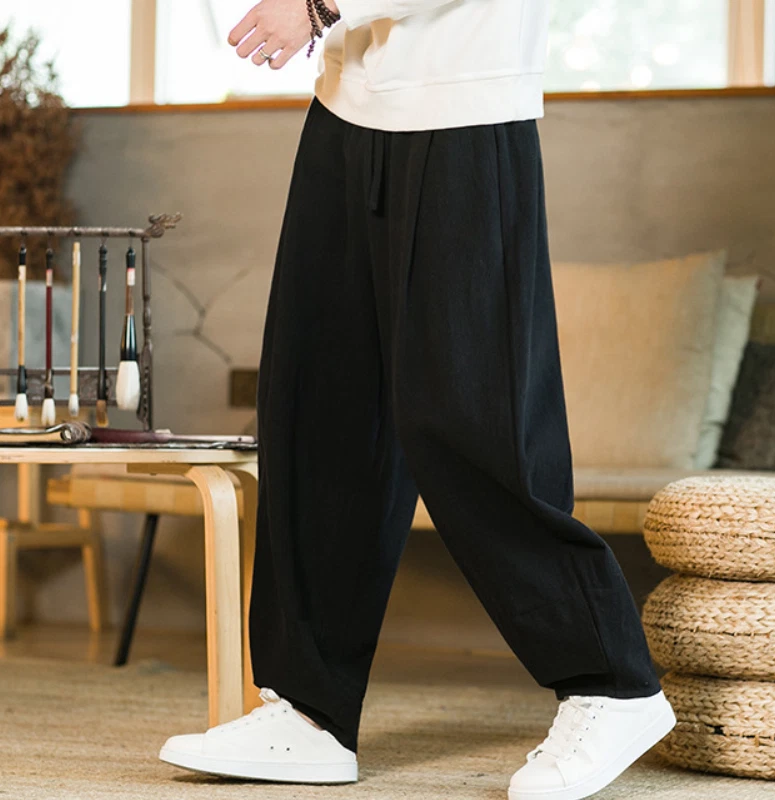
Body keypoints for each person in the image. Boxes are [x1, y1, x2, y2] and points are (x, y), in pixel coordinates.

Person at [158, 0, 677, 797]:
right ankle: (310, 712)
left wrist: (319, 5)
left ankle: (613, 684)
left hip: (465, 109)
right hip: (346, 107)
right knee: (321, 411)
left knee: (470, 419)